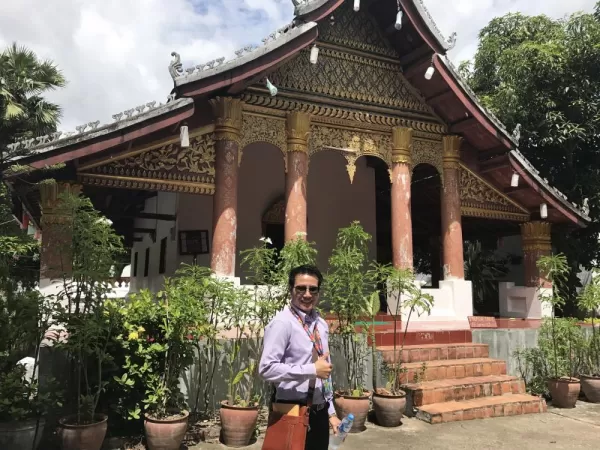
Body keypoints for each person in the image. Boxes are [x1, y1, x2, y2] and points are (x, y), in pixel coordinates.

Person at [259, 264, 341, 449]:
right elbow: (266, 369)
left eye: (313, 289)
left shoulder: (320, 324)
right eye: (301, 288)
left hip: (319, 411)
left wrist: (331, 413)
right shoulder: (282, 323)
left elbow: (325, 371)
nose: (307, 294)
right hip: (292, 411)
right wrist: (311, 370)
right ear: (291, 290)